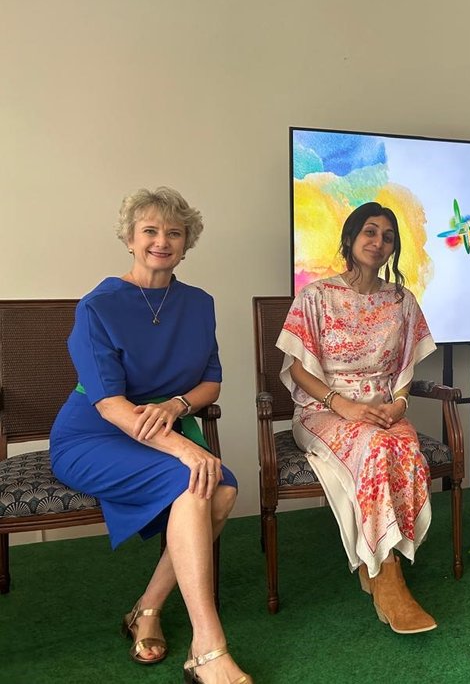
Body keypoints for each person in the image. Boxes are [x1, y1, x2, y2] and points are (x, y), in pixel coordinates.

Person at [49, 188, 251, 683]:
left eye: (174, 233)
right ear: (130, 239)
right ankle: (208, 646)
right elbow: (110, 404)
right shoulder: (97, 306)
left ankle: (147, 608)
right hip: (94, 436)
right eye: (151, 231)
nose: (162, 241)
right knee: (196, 479)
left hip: (160, 428)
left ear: (187, 243)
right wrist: (185, 448)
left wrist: (176, 406)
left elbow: (210, 381)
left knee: (223, 490)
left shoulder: (199, 303)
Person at [277, 201, 438, 633]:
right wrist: (342, 405)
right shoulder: (316, 295)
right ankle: (388, 577)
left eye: (387, 236)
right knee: (373, 447)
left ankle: (375, 560)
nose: (378, 242)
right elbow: (296, 368)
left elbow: (406, 368)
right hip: (323, 409)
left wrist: (400, 404)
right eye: (370, 232)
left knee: (400, 445)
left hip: (383, 409)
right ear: (350, 238)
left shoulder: (402, 301)